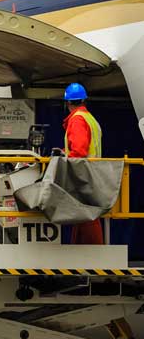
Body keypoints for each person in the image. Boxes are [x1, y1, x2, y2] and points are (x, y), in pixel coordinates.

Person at [63, 83, 105, 245]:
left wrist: (64, 161)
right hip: (91, 174)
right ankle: (82, 255)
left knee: (87, 217)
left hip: (82, 175)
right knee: (83, 217)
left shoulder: (78, 120)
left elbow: (79, 151)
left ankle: (95, 255)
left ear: (68, 103)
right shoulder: (90, 119)